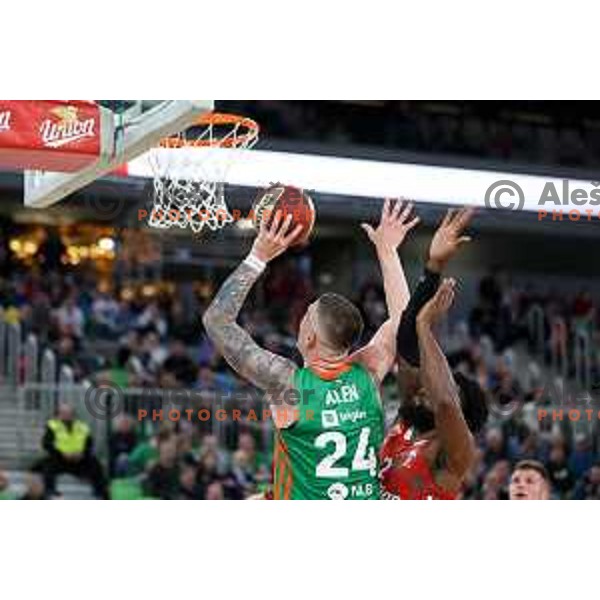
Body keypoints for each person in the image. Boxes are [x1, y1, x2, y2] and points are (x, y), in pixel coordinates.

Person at [203, 199, 418, 499]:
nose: (300, 320)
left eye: (306, 317)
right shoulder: (367, 373)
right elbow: (403, 323)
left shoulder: (288, 383)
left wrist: (257, 257)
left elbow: (216, 320)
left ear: (310, 339)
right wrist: (388, 250)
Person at [380, 278, 488, 499]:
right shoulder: (408, 421)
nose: (428, 388)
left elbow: (445, 403)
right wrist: (432, 269)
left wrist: (425, 327)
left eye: (449, 388)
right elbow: (406, 346)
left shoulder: (457, 451)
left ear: (463, 413)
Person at [34, 403, 109, 499]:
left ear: (73, 414)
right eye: (63, 413)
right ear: (58, 414)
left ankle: (100, 491)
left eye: (68, 413)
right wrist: (61, 453)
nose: (66, 415)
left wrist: (82, 454)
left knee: (95, 464)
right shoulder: (52, 426)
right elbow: (46, 444)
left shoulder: (82, 426)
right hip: (60, 458)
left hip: (79, 459)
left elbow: (89, 444)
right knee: (47, 464)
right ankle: (50, 490)